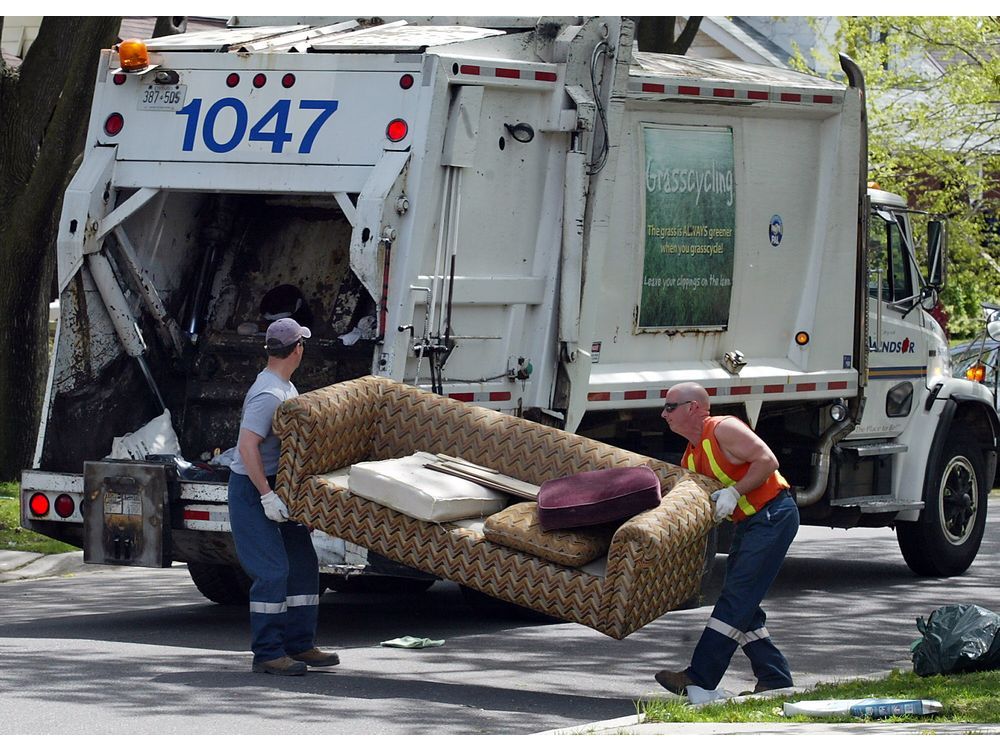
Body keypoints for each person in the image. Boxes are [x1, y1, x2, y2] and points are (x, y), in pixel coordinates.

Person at [655, 381, 799, 695]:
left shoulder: (723, 429)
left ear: (692, 408)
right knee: (742, 602)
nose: (663, 414)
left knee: (736, 598)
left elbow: (768, 460)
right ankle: (774, 677)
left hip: (773, 515)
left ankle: (700, 678)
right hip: (750, 524)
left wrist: (735, 492)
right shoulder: (690, 458)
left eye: (670, 406)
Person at [227, 317, 340, 676]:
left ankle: (300, 644)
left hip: (281, 486)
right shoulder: (269, 394)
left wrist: (297, 503)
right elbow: (247, 447)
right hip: (252, 489)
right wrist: (266, 496)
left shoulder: (287, 389)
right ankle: (268, 653)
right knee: (272, 570)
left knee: (303, 566)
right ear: (297, 349)